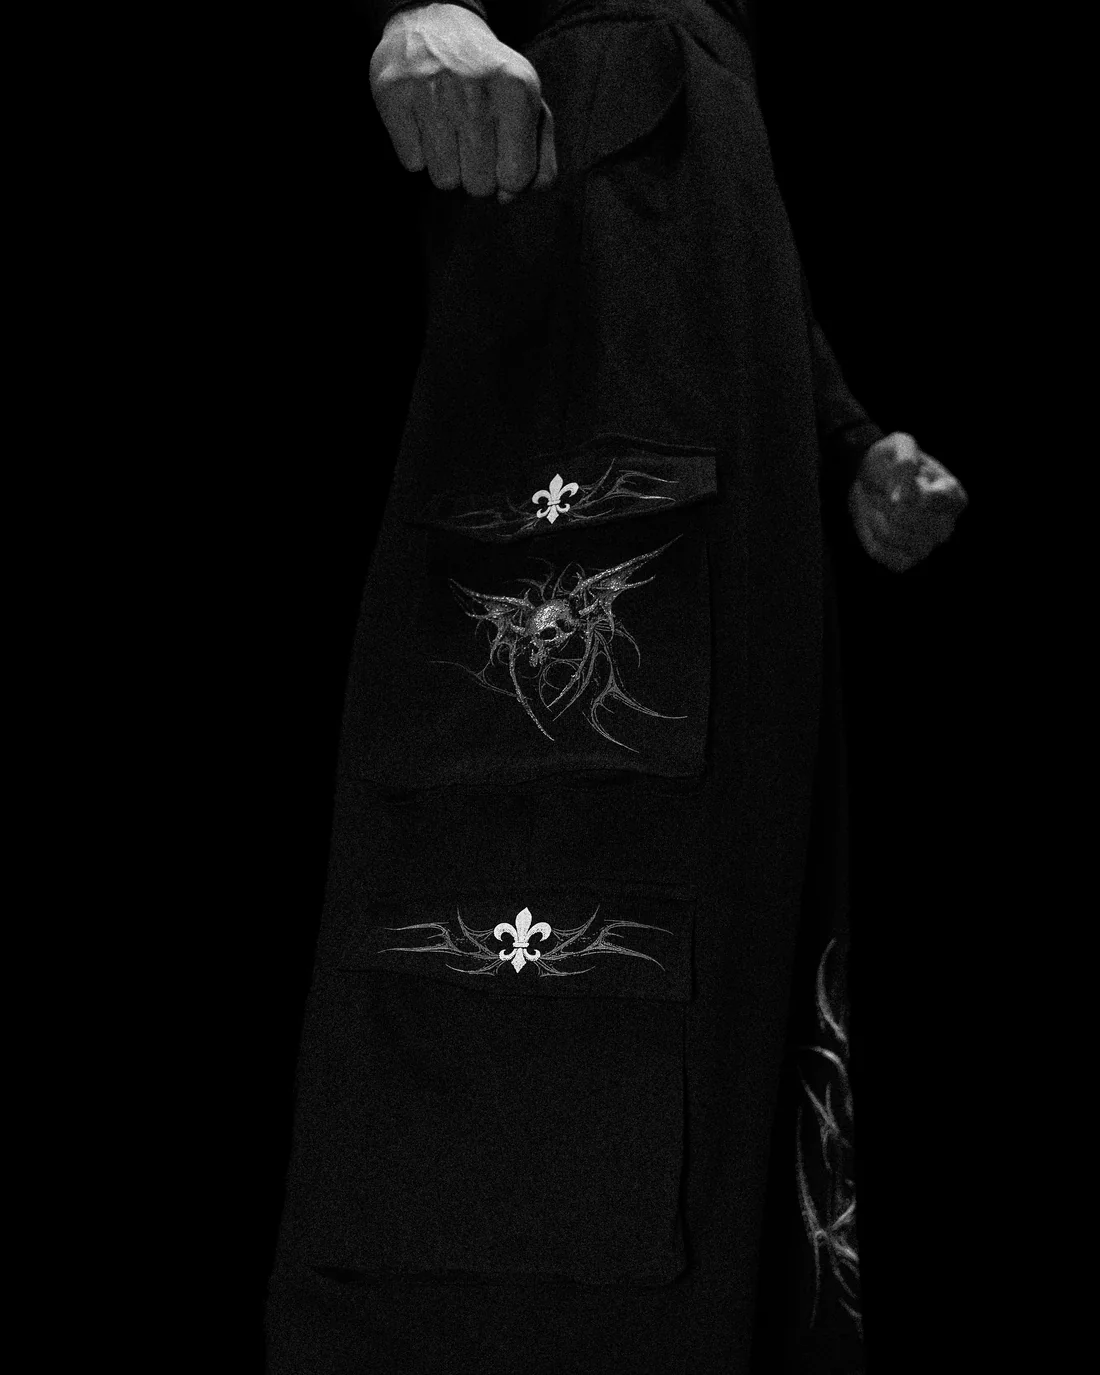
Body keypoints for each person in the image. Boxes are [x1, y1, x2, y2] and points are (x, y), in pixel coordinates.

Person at [264, 3, 969, 1372]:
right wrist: (407, 11)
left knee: (739, 1009)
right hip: (558, 316)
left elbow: (743, 244)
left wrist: (846, 436)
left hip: (741, 463)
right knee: (539, 949)